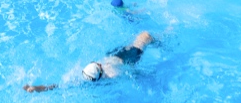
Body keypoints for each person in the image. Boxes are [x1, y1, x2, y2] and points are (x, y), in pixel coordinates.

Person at [23, 31, 154, 92]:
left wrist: (36, 88)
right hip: (124, 58)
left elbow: (57, 86)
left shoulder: (86, 79)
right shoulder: (114, 73)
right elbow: (133, 74)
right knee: (145, 36)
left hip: (117, 58)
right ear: (99, 66)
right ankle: (164, 36)